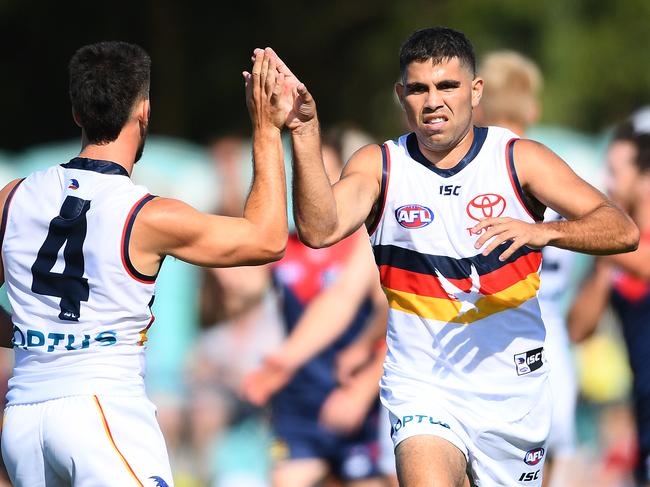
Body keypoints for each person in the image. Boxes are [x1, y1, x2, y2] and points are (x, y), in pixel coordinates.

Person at [262, 26, 639, 486]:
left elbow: (622, 228)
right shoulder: (379, 165)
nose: (433, 100)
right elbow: (320, 229)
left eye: (447, 86)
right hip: (424, 387)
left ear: (475, 91)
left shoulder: (519, 159)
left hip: (512, 394)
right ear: (402, 96)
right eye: (418, 88)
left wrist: (543, 231)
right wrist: (304, 131)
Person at [0, 42, 288, 487]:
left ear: (77, 113)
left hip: (22, 420)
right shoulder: (149, 215)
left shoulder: (12, 197)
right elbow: (267, 239)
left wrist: (30, 333)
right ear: (144, 111)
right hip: (99, 412)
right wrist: (266, 129)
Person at [242, 140, 389, 487]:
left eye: (320, 174)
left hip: (355, 397)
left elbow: (397, 317)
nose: (310, 184)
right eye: (302, 173)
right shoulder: (279, 245)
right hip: (298, 404)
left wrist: (363, 387)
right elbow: (235, 284)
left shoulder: (366, 245)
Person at [473, 50, 580, 487]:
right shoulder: (556, 170)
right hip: (551, 338)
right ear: (532, 108)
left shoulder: (478, 168)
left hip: (485, 335)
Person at [569, 117, 650, 487]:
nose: (607, 184)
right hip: (642, 406)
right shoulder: (612, 255)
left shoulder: (622, 248)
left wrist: (566, 233)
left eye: (615, 172)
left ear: (645, 177)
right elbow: (578, 328)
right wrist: (603, 262)